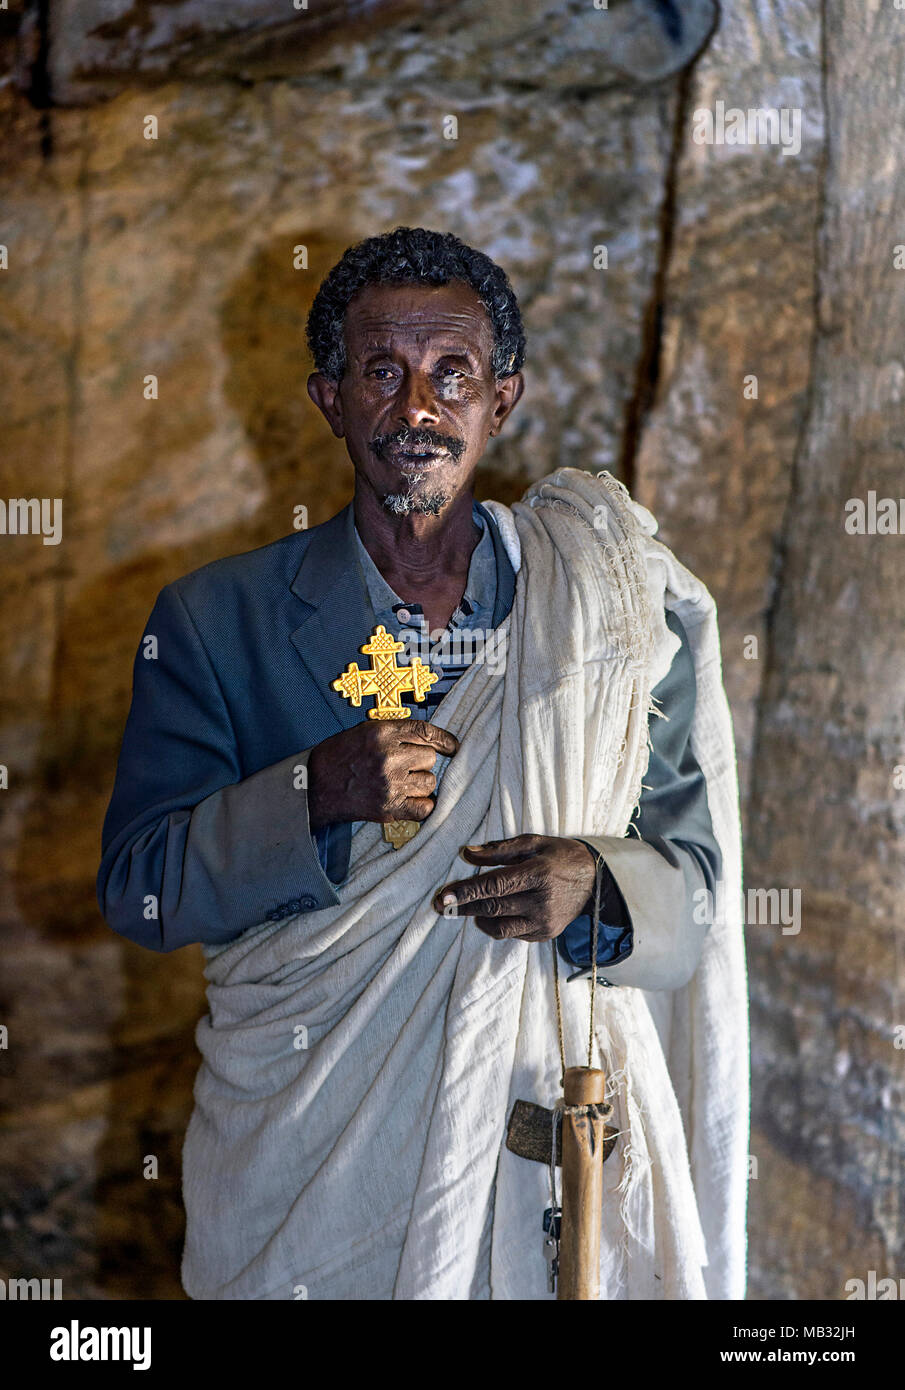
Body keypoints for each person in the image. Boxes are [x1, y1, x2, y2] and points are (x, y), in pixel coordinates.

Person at [97, 226, 748, 1301]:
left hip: (537, 1168)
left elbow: (696, 888)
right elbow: (142, 886)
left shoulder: (603, 611)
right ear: (328, 398)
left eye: (452, 375)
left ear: (503, 398)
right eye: (381, 374)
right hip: (306, 1183)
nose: (416, 409)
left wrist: (600, 887)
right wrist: (314, 795)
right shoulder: (215, 621)